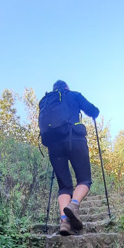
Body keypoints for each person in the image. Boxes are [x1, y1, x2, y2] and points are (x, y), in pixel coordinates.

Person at [39, 80, 99, 235]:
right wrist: (95, 112)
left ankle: (64, 222)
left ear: (54, 90)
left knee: (64, 186)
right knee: (84, 180)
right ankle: (73, 205)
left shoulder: (45, 102)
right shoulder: (74, 95)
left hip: (54, 145)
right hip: (75, 140)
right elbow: (92, 110)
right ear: (67, 88)